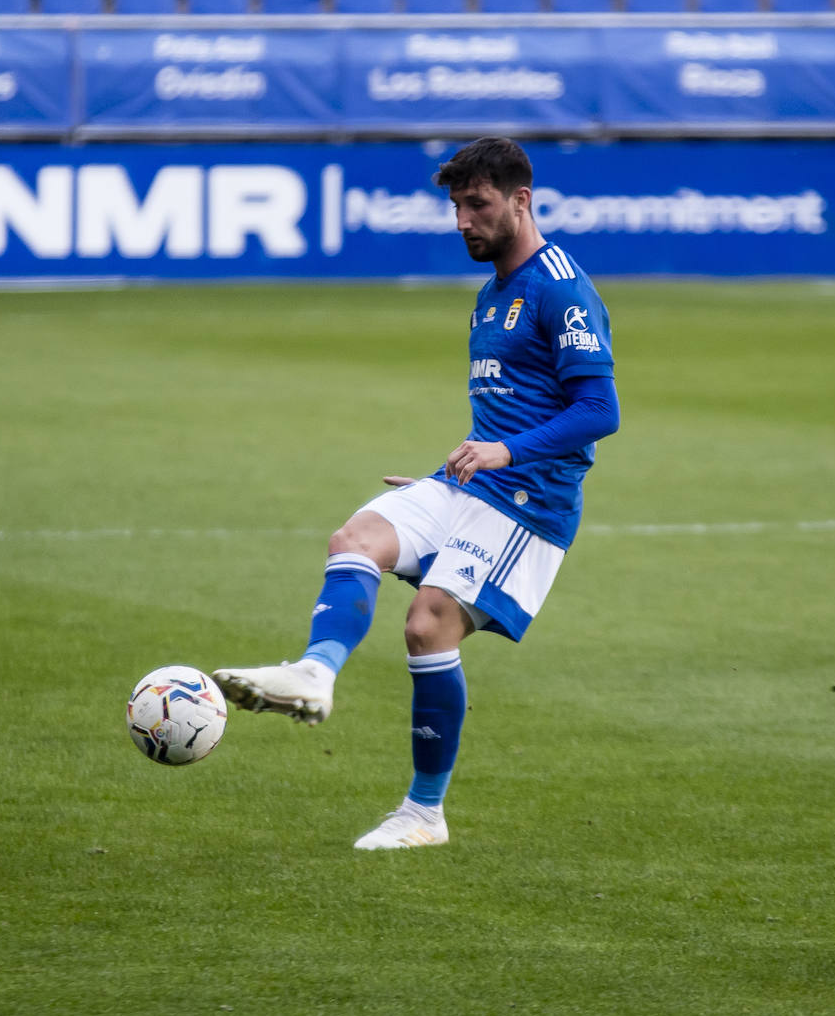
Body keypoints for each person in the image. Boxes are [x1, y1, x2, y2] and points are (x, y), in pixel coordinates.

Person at [214, 137, 619, 851]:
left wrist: (503, 451)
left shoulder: (562, 286)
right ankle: (314, 671)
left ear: (521, 201)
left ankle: (424, 812)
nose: (463, 221)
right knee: (357, 537)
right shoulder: (493, 293)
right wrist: (452, 476)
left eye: (478, 205)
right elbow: (510, 406)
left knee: (428, 624)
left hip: (530, 501)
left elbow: (599, 410)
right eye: (457, 207)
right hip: (470, 482)